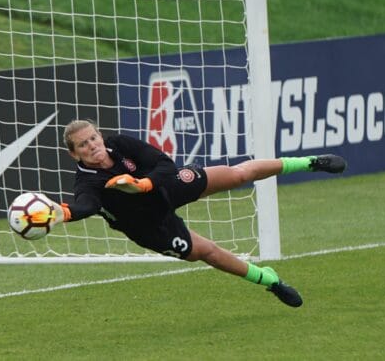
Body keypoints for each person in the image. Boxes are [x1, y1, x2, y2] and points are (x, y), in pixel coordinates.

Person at [45, 119, 347, 307]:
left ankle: (310, 162)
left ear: (101, 135)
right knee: (207, 251)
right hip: (149, 226)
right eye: (84, 145)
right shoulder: (87, 181)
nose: (93, 146)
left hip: (163, 187)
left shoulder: (119, 144)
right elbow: (87, 205)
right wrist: (62, 213)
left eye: (94, 138)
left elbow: (164, 163)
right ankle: (270, 282)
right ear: (75, 154)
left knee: (237, 174)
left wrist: (143, 184)